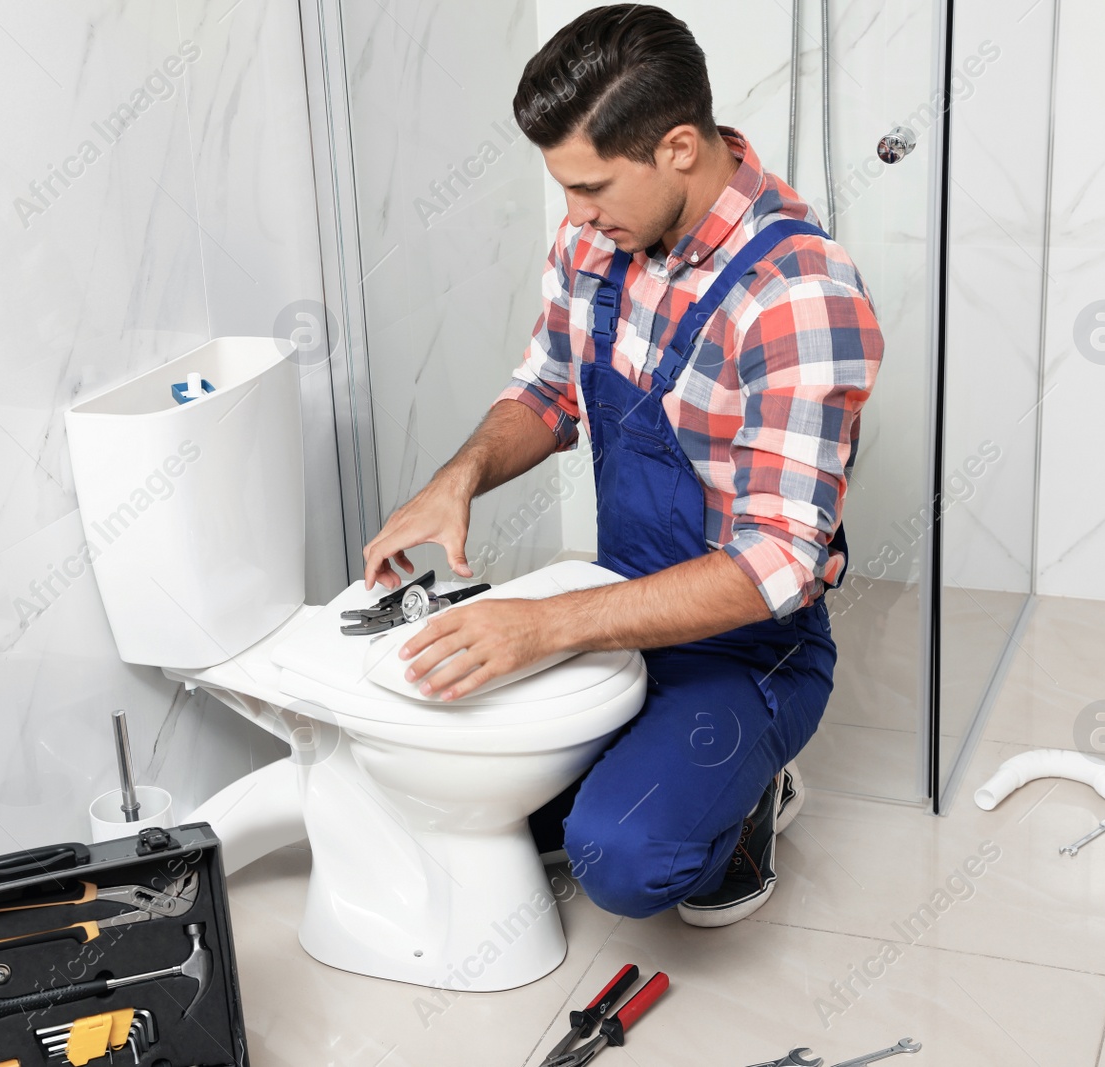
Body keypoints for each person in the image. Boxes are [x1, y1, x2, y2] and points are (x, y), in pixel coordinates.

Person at [359, 4, 884, 927]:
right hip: (618, 606)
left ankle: (753, 802)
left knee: (620, 858)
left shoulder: (797, 296)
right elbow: (548, 391)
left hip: (747, 646)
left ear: (679, 146)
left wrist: (551, 625)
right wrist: (459, 477)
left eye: (592, 186)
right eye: (565, 188)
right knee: (457, 800)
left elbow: (776, 566)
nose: (575, 216)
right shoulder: (601, 242)